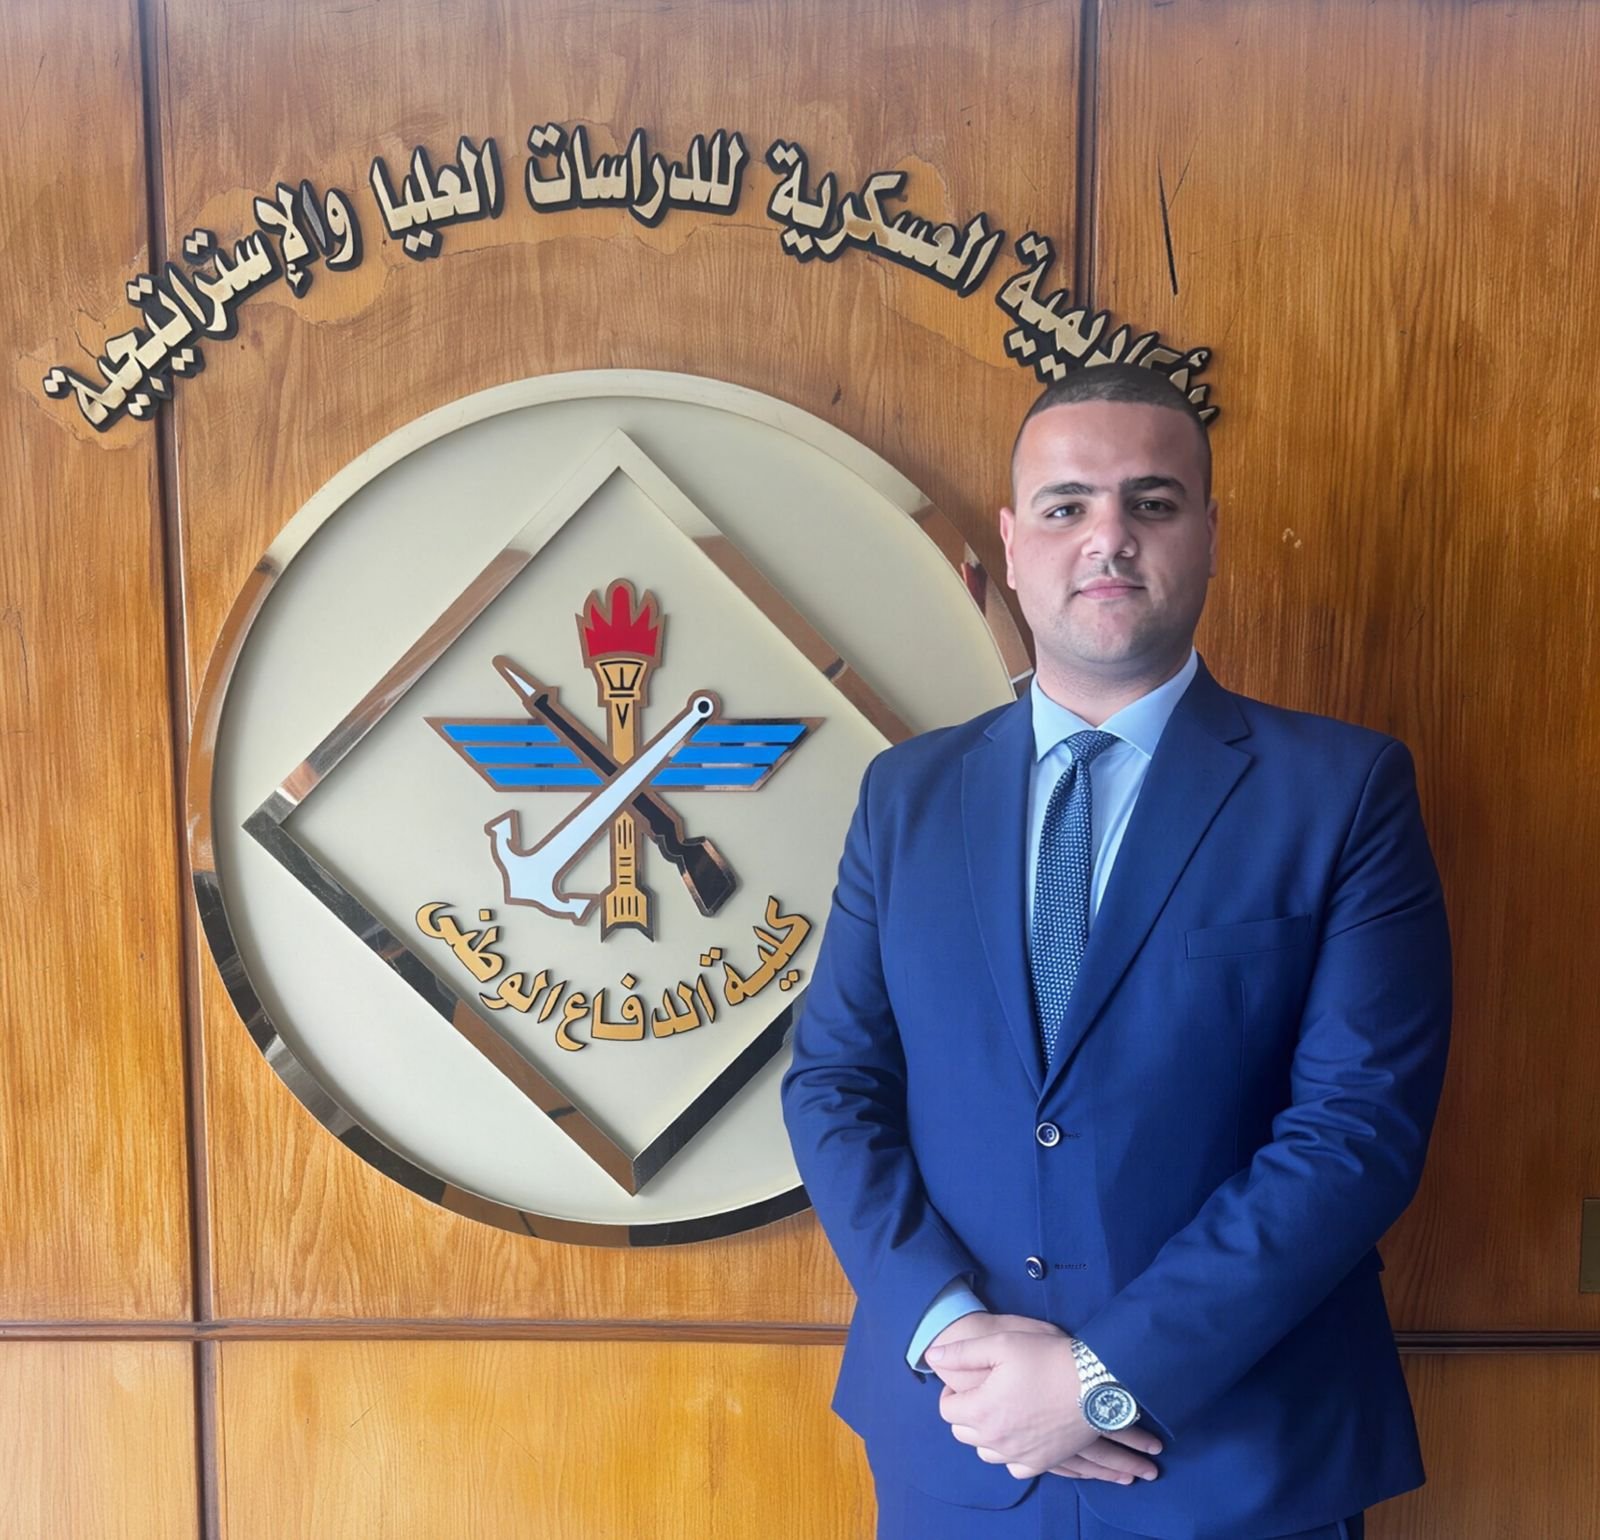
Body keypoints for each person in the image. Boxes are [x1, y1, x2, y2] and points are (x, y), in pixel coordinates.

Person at [780, 364, 1451, 1540]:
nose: (1109, 537)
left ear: (1208, 534)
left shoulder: (1342, 792)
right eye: (1067, 504)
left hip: (1238, 1458)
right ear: (1009, 543)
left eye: (1152, 501)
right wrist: (949, 1333)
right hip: (962, 1444)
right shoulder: (905, 796)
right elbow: (833, 1085)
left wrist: (1103, 1374)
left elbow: (1355, 1131)